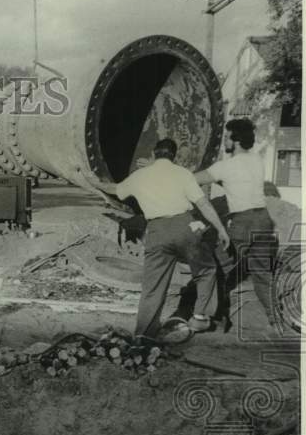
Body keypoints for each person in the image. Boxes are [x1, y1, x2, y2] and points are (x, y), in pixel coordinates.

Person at [95, 138, 230, 340]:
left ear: (153, 154)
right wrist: (221, 229)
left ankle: (143, 335)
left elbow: (116, 190)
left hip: (157, 231)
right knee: (206, 270)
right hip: (185, 227)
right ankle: (200, 317)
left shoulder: (139, 176)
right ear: (173, 156)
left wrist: (94, 183)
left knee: (152, 287)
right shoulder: (183, 174)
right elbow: (203, 204)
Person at [195, 118, 279, 329]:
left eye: (226, 137)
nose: (224, 141)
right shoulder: (257, 161)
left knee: (215, 266)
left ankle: (212, 316)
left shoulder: (225, 166)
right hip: (264, 221)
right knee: (262, 273)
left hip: (243, 222)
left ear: (236, 140)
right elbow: (238, 182)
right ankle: (276, 319)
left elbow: (193, 179)